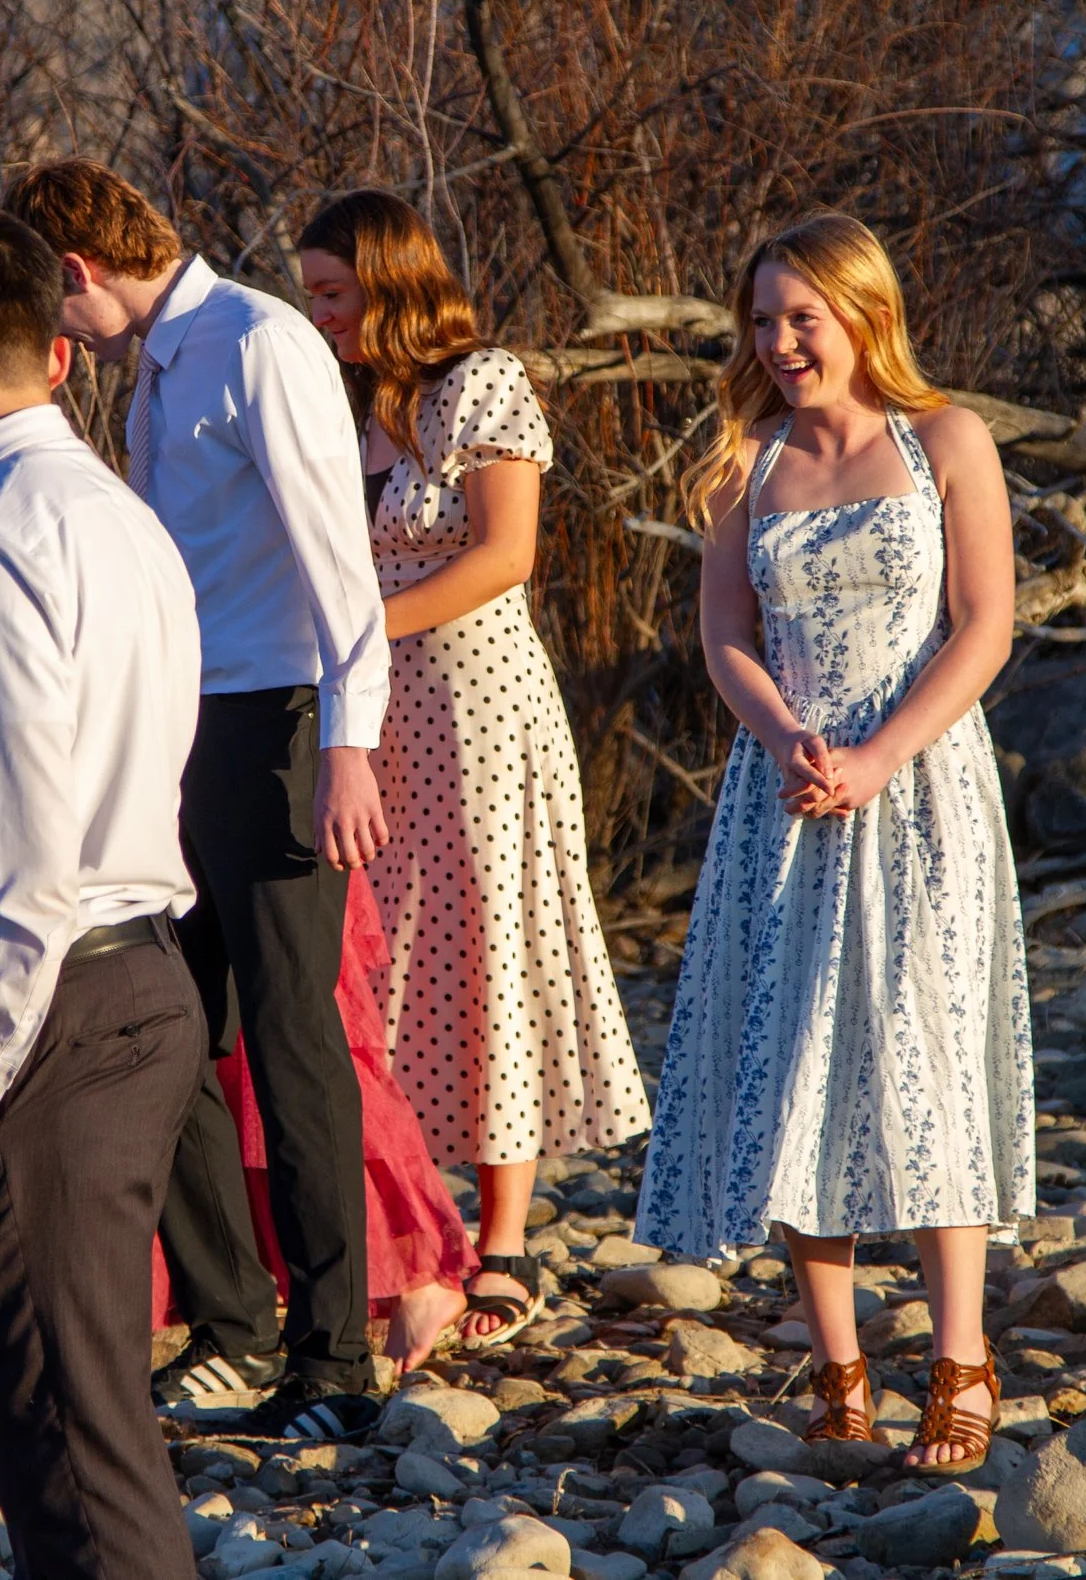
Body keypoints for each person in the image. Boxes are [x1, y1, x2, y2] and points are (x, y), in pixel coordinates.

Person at [632, 213, 1033, 1475]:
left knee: (921, 1048)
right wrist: (786, 735)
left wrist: (879, 754)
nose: (780, 341)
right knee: (798, 1048)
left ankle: (960, 1359)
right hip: (788, 799)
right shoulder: (742, 467)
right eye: (762, 320)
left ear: (864, 314)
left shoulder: (945, 442)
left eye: (801, 316)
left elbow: (984, 626)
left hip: (917, 791)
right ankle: (839, 1363)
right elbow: (724, 638)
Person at [6, 162, 392, 1437]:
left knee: (291, 1038)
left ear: (77, 269)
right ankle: (229, 1321)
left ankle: (332, 1357)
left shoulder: (259, 343)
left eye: (50, 306)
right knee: (164, 1024)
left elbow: (343, 562)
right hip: (183, 732)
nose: (55, 338)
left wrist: (349, 743)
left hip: (283, 724)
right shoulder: (163, 366)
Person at [0, 207, 205, 1578]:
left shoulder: (0, 540)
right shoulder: (125, 518)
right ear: (62, 353)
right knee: (97, 1431)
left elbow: (28, 849)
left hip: (53, 1010)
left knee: (72, 1456)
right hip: (142, 980)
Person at [295, 191, 653, 1354]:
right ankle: (408, 1228)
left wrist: (363, 626)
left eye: (335, 293)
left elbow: (508, 552)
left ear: (391, 281)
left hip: (482, 707)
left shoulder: (480, 380)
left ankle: (500, 1243)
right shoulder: (344, 407)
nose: (322, 316)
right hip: (373, 720)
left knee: (493, 945)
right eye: (312, 295)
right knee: (377, 960)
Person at [149, 873, 477, 1377]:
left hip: (269, 812)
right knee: (232, 1037)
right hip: (200, 809)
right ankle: (247, 1300)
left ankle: (414, 1274)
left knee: (298, 1034)